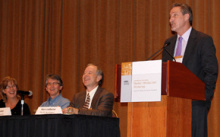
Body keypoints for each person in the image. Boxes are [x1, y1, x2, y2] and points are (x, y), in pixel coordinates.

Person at [162, 3, 218, 137]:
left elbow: (211, 70)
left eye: (174, 15)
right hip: (172, 105)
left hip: (195, 105)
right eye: (170, 17)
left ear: (187, 16)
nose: (171, 20)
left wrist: (204, 97)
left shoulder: (202, 40)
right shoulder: (168, 44)